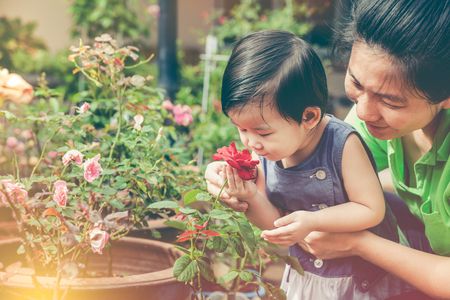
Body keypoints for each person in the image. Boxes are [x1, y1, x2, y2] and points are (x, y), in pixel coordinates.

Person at [206, 1, 450, 299]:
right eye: (356, 83)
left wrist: (358, 243)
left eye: (391, 101)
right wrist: (240, 187)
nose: (362, 112)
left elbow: (365, 204)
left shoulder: (343, 140)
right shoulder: (354, 129)